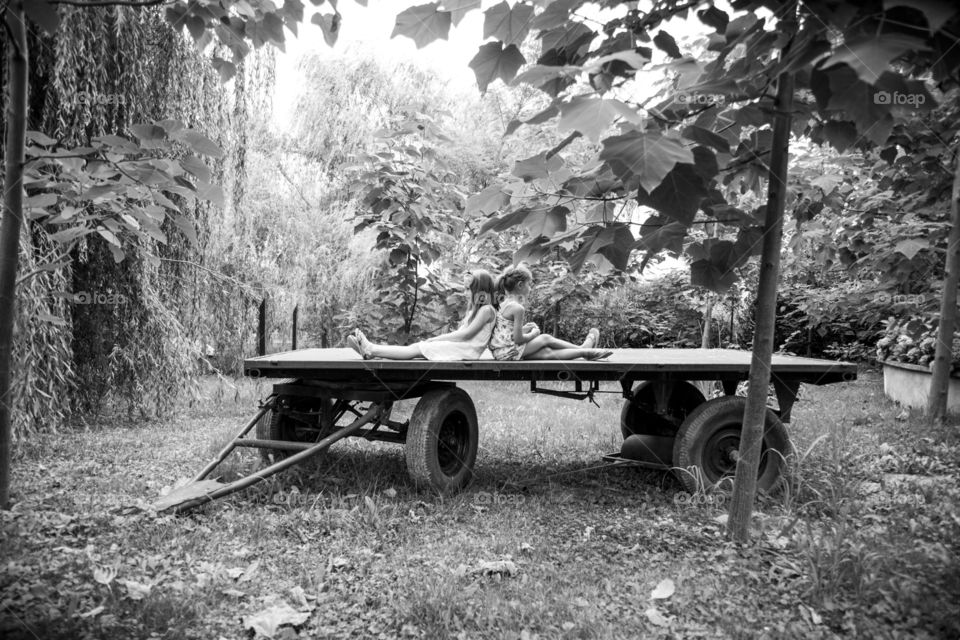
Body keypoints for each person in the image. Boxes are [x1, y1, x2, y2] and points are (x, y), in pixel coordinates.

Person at [347, 270, 497, 360]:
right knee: (417, 348)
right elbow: (463, 335)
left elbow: (465, 335)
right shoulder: (479, 311)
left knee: (417, 349)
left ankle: (371, 349)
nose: (465, 293)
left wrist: (436, 339)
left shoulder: (487, 310)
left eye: (468, 289)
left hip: (466, 351)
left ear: (481, 290)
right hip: (463, 349)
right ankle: (372, 352)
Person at [489, 263, 612, 361]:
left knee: (546, 352)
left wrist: (525, 329)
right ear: (520, 285)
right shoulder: (517, 308)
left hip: (501, 352)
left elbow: (506, 332)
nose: (530, 288)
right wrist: (534, 334)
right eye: (528, 284)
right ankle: (584, 349)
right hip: (508, 352)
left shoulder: (502, 302)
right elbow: (518, 340)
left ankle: (583, 352)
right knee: (545, 338)